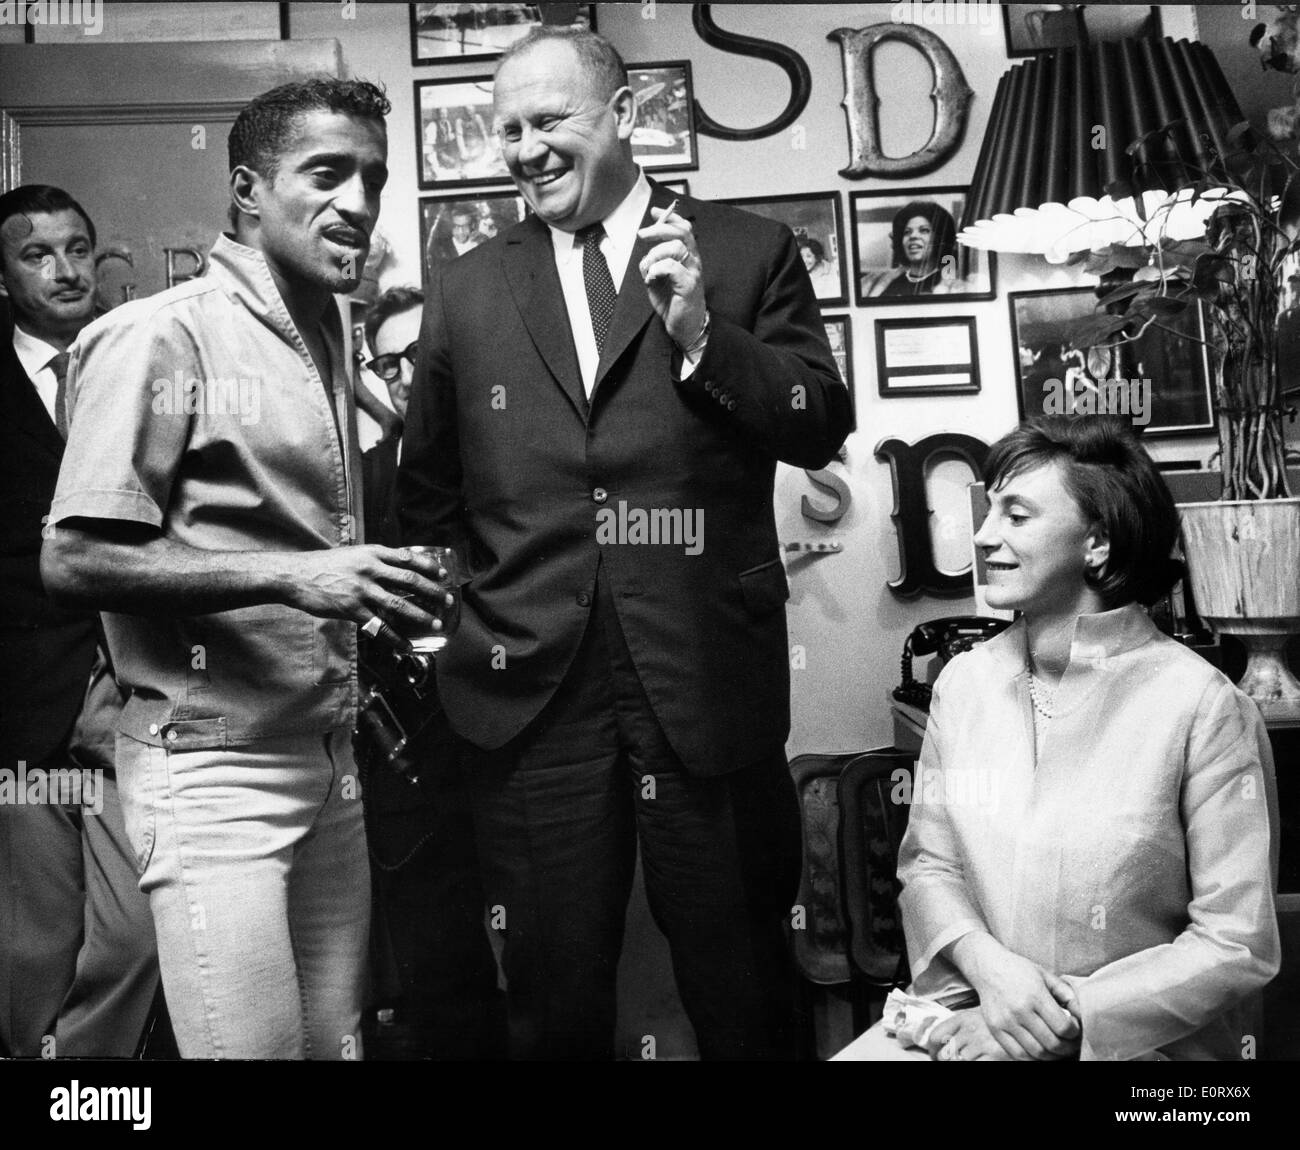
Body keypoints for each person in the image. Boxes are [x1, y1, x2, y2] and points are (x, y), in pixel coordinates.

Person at [399, 26, 852, 1061]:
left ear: (624, 117)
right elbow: (426, 496)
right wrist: (461, 632)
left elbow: (816, 417)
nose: (523, 148)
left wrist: (701, 334)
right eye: (505, 128)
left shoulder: (744, 251)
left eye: (548, 120)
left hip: (704, 676)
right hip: (528, 689)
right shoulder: (465, 285)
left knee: (739, 978)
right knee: (555, 993)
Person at [41, 79, 452, 1060]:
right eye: (325, 173)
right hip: (211, 772)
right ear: (247, 190)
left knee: (333, 1046)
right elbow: (74, 552)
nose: (357, 199)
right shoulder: (160, 334)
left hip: (327, 761)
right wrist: (297, 578)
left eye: (372, 177)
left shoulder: (332, 336)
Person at [840, 416, 1279, 1062]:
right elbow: (928, 867)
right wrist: (994, 976)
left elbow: (1235, 943)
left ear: (1097, 542)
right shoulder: (962, 685)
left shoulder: (1203, 708)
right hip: (972, 1008)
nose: (984, 538)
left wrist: (1058, 1019)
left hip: (1150, 1057)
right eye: (990, 513)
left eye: (1015, 516)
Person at [0, 184, 159, 1058]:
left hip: (131, 695)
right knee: (31, 949)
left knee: (139, 931)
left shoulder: (139, 355)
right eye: (35, 253)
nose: (64, 270)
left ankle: (83, 1074)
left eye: (77, 248)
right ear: (3, 272)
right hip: (20, 709)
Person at [356, 286, 506, 1060]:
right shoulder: (363, 475)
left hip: (518, 739)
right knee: (439, 965)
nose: (407, 374)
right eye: (389, 362)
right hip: (409, 753)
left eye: (421, 354)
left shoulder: (520, 457)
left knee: (555, 958)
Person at [860, 201, 970, 298]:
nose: (913, 236)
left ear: (940, 238)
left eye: (924, 230)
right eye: (907, 232)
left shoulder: (956, 285)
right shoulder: (876, 281)